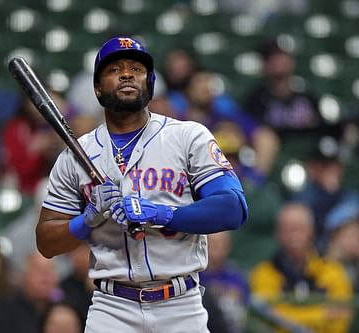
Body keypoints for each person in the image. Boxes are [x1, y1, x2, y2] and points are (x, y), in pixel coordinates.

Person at [37, 36, 248, 333]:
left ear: (149, 83)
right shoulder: (76, 156)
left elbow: (234, 207)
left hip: (180, 305)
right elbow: (46, 241)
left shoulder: (187, 137)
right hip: (112, 308)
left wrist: (163, 215)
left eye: (136, 68)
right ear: (97, 88)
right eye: (114, 69)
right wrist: (87, 220)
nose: (126, 74)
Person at [248, 202, 353, 333]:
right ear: (277, 234)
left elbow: (341, 319)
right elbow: (271, 321)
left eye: (299, 228)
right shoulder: (263, 274)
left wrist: (289, 315)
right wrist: (322, 315)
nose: (293, 235)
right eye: (287, 229)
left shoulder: (333, 271)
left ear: (312, 231)